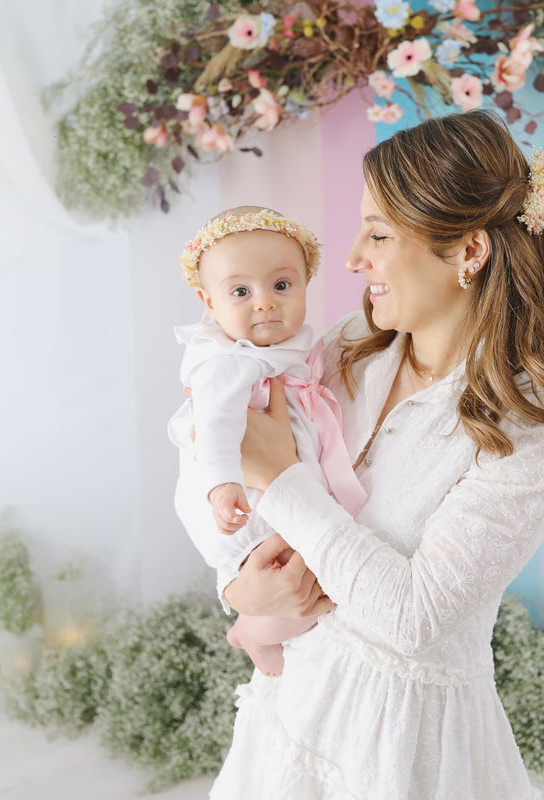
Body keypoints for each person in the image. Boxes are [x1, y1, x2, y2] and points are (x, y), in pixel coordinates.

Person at [187, 110, 544, 799]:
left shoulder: (537, 421)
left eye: (378, 234)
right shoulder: (351, 345)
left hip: (402, 743)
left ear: (469, 252)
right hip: (295, 696)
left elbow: (415, 618)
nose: (352, 259)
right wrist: (241, 590)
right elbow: (228, 471)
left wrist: (281, 477)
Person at [168, 206, 365, 677]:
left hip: (283, 491)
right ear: (208, 302)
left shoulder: (296, 346)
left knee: (314, 587)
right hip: (247, 505)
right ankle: (252, 635)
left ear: (304, 284)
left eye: (281, 285)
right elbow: (212, 424)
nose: (265, 302)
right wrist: (221, 485)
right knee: (297, 600)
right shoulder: (224, 361)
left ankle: (266, 632)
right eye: (241, 291)